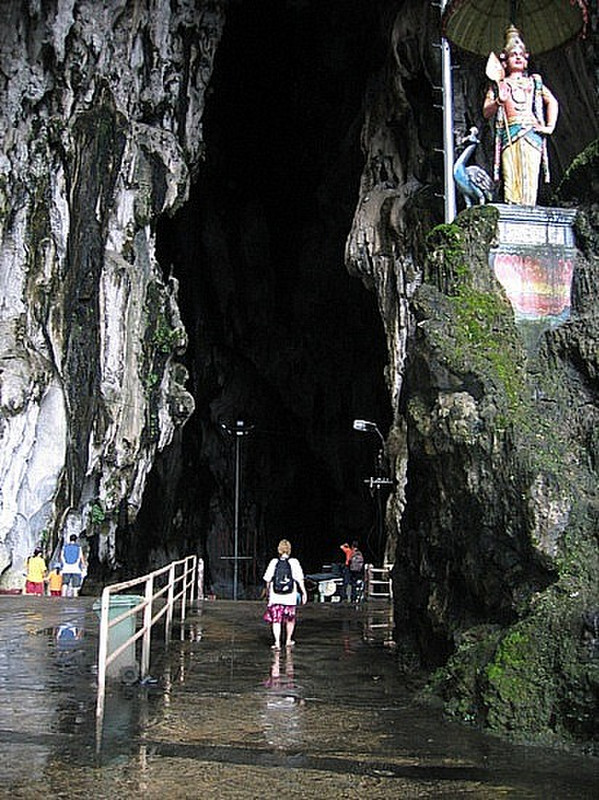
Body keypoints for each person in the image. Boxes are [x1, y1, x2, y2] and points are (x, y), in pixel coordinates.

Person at [483, 25, 559, 206]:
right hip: (510, 132)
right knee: (511, 175)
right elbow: (486, 111)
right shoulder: (499, 84)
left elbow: (552, 102)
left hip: (531, 132)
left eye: (520, 54)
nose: (517, 57)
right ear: (505, 61)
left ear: (526, 59)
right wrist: (498, 101)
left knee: (531, 176)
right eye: (513, 54)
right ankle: (513, 206)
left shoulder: (534, 82)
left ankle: (529, 207)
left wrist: (549, 127)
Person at [263, 539, 307, 650]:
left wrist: (267, 592)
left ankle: (277, 642)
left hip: (276, 596)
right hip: (290, 597)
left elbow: (268, 579)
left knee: (276, 620)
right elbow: (300, 579)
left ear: (279, 549)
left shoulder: (274, 562)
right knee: (290, 619)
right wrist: (304, 593)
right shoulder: (294, 562)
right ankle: (288, 640)